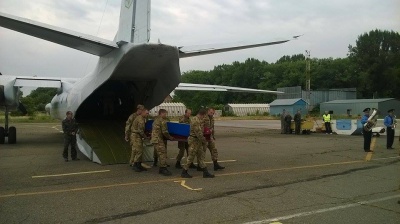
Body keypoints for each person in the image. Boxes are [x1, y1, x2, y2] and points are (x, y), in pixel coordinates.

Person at [181, 108, 214, 178]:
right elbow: (198, 133)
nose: (203, 118)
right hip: (194, 141)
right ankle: (184, 171)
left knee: (201, 156)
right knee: (191, 157)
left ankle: (205, 172)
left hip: (197, 141)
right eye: (203, 116)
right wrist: (204, 140)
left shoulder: (196, 119)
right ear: (202, 115)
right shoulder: (195, 120)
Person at [151, 109, 174, 176]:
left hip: (155, 139)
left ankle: (162, 167)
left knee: (160, 153)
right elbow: (165, 132)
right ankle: (163, 168)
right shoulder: (162, 121)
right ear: (161, 113)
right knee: (163, 153)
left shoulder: (156, 120)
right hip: (158, 139)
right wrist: (170, 137)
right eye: (165, 114)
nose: (165, 115)